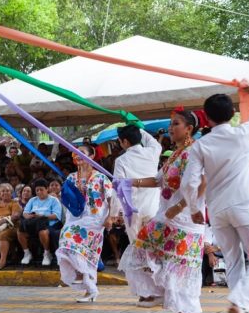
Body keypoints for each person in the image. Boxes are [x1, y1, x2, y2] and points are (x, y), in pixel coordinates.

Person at [181, 82, 249, 313]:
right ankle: (239, 302)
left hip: (217, 211)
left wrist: (195, 207)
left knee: (234, 261)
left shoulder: (200, 146)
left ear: (206, 118)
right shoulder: (244, 133)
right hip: (244, 206)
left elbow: (189, 182)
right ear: (232, 114)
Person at [119, 108, 207, 313]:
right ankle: (157, 293)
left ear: (189, 129)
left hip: (185, 218)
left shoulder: (194, 152)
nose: (170, 128)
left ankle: (187, 308)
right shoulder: (175, 154)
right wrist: (130, 182)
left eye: (176, 124)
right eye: (170, 124)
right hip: (166, 216)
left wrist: (181, 206)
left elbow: (203, 182)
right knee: (142, 246)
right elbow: (158, 180)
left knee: (179, 264)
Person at [55, 145, 115, 303]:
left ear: (92, 156)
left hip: (94, 218)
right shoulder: (71, 178)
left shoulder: (101, 177)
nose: (78, 155)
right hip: (75, 217)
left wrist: (110, 217)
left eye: (82, 153)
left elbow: (111, 199)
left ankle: (82, 276)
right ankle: (90, 288)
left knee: (72, 241)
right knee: (67, 242)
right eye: (75, 153)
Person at [113, 124, 162, 286]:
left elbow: (117, 189)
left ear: (125, 142)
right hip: (153, 208)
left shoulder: (121, 160)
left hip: (132, 213)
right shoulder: (153, 151)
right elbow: (150, 139)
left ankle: (147, 290)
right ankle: (157, 285)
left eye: (120, 141)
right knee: (153, 250)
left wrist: (114, 213)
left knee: (139, 250)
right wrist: (138, 128)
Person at [18, 179, 63, 266]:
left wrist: (41, 216)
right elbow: (25, 212)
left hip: (49, 224)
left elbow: (56, 216)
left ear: (47, 189)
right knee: (20, 232)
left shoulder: (54, 200)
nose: (39, 192)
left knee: (42, 232)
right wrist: (29, 216)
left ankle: (47, 253)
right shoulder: (32, 200)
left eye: (41, 189)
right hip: (33, 223)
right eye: (37, 190)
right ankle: (27, 253)